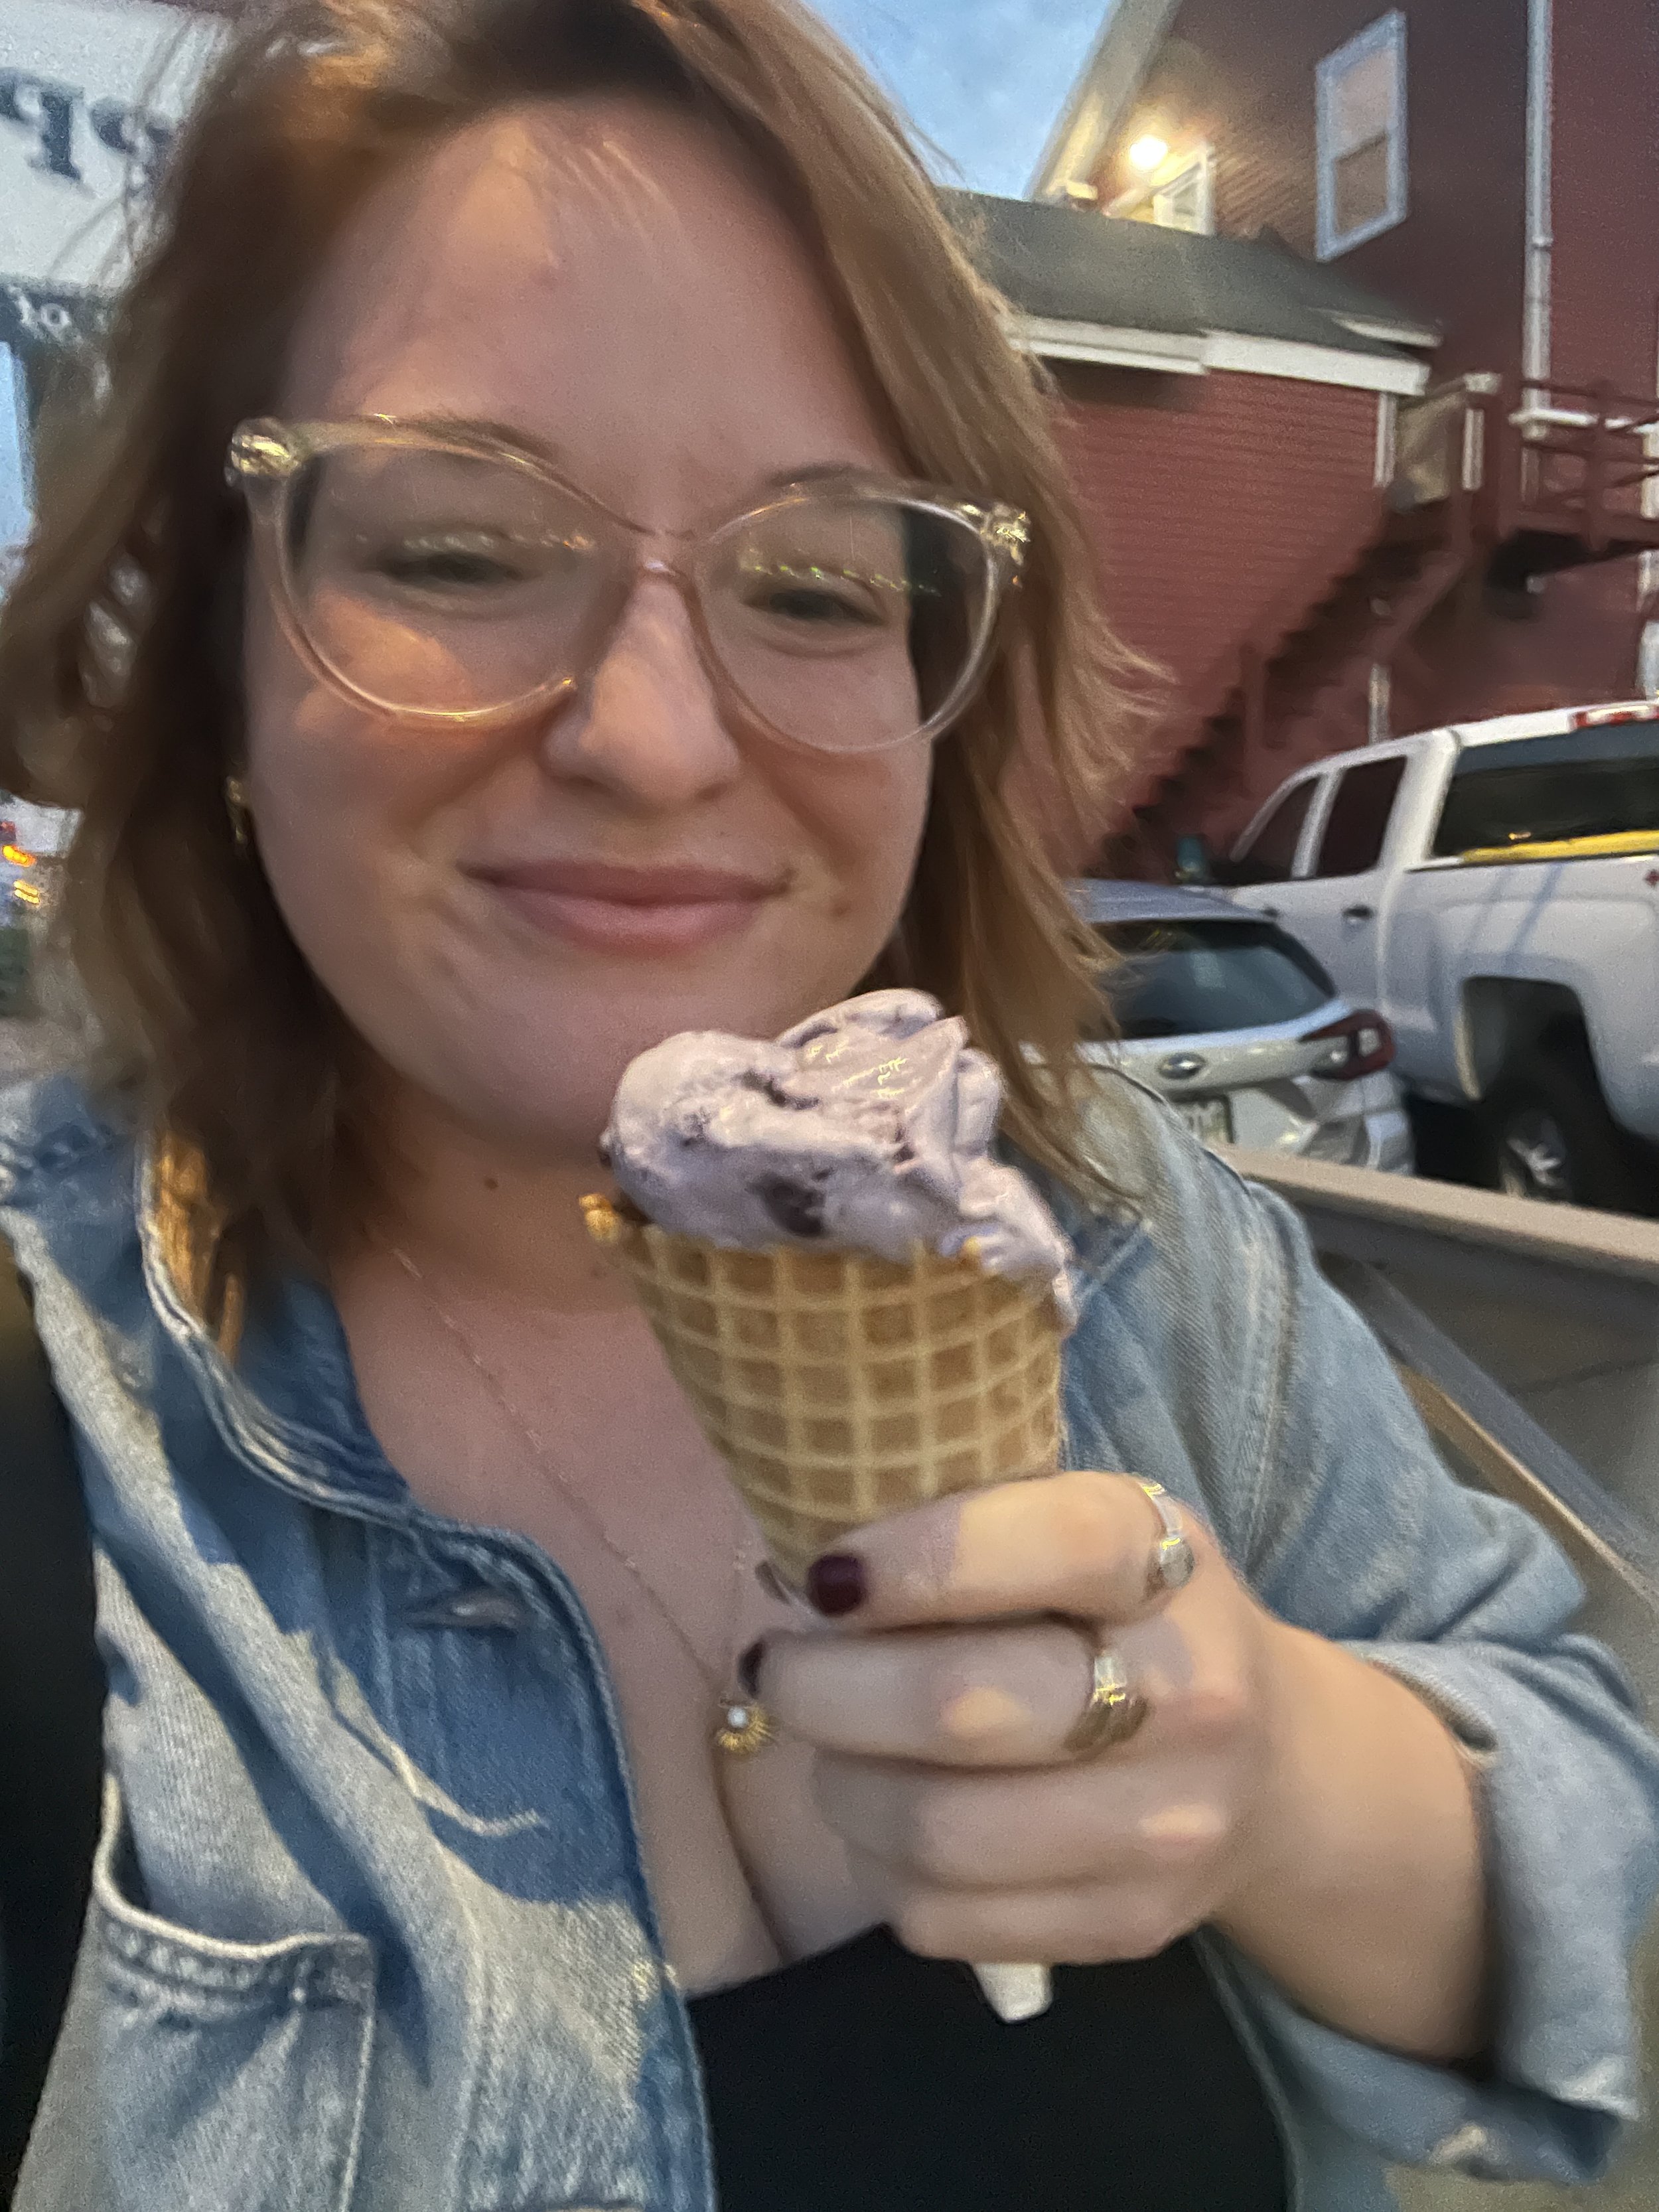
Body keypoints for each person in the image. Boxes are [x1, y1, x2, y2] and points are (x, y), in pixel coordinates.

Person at [0, 1, 1655, 2205]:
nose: (657, 739)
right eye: (458, 549)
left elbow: (1573, 1793)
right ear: (220, 646)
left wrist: (1270, 1777)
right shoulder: (56, 1408)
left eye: (809, 582)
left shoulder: (1139, 1246)